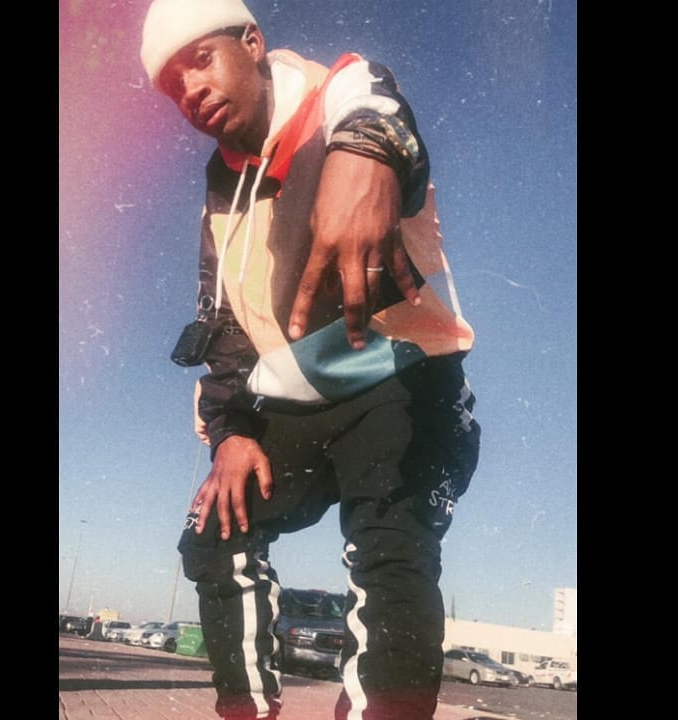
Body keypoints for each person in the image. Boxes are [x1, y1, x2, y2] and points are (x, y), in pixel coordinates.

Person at [140, 1, 481, 718]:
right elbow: (224, 323)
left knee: (390, 547)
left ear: (252, 41)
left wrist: (368, 153)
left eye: (200, 60)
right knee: (214, 530)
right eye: (173, 85)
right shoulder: (220, 188)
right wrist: (231, 431)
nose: (190, 90)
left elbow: (377, 110)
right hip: (307, 389)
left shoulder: (344, 90)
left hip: (401, 369)